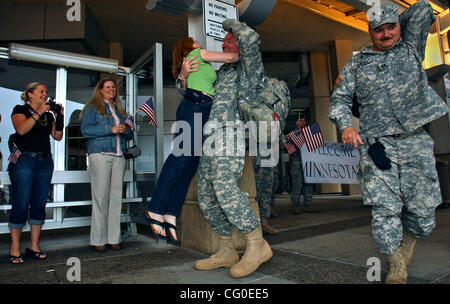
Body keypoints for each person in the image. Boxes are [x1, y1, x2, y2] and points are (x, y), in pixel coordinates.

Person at [329, 0, 449, 284]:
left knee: (423, 215)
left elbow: (421, 8)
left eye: (391, 27)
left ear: (400, 26)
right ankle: (396, 264)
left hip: (415, 141)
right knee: (384, 211)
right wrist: (346, 125)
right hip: (376, 145)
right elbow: (340, 100)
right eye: (378, 29)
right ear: (369, 32)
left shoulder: (410, 48)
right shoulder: (357, 63)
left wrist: (390, 14)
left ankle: (406, 246)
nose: (385, 34)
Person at [186, 19, 273, 278]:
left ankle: (257, 244)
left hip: (231, 134)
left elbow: (250, 39)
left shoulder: (249, 67)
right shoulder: (222, 71)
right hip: (211, 136)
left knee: (225, 187)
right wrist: (183, 75)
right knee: (206, 196)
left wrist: (231, 23)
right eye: (223, 41)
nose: (224, 44)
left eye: (229, 41)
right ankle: (226, 250)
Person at [144, 37, 239, 245]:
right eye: (194, 41)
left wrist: (183, 76)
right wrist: (248, 55)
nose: (198, 41)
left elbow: (187, 83)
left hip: (202, 108)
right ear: (189, 47)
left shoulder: (192, 64)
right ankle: (155, 208)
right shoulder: (198, 54)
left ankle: (171, 213)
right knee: (180, 158)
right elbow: (231, 56)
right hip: (195, 106)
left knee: (190, 164)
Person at [8, 82, 64, 264]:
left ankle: (34, 246)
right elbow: (21, 129)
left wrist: (60, 116)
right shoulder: (20, 109)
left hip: (44, 162)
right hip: (24, 160)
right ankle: (15, 248)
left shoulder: (48, 116)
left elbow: (58, 136)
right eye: (41, 91)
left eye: (46, 92)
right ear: (30, 94)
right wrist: (38, 112)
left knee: (39, 203)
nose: (45, 94)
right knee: (21, 202)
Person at [80, 78, 134, 252]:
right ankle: (98, 240)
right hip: (101, 155)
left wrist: (125, 130)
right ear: (101, 90)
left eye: (113, 87)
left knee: (116, 199)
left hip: (119, 156)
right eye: (108, 87)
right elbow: (85, 130)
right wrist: (110, 129)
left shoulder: (120, 110)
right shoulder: (92, 108)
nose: (111, 89)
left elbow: (129, 135)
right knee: (100, 198)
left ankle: (113, 238)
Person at [290, 116, 313, 215]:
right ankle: (296, 205)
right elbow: (290, 149)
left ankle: (308, 204)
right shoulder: (293, 134)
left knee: (308, 182)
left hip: (308, 160)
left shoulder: (310, 133)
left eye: (303, 120)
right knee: (297, 184)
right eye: (300, 120)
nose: (302, 122)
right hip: (296, 161)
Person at [252, 155, 278, 234]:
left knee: (266, 192)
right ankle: (253, 225)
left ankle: (264, 223)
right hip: (254, 159)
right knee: (254, 193)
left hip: (267, 160)